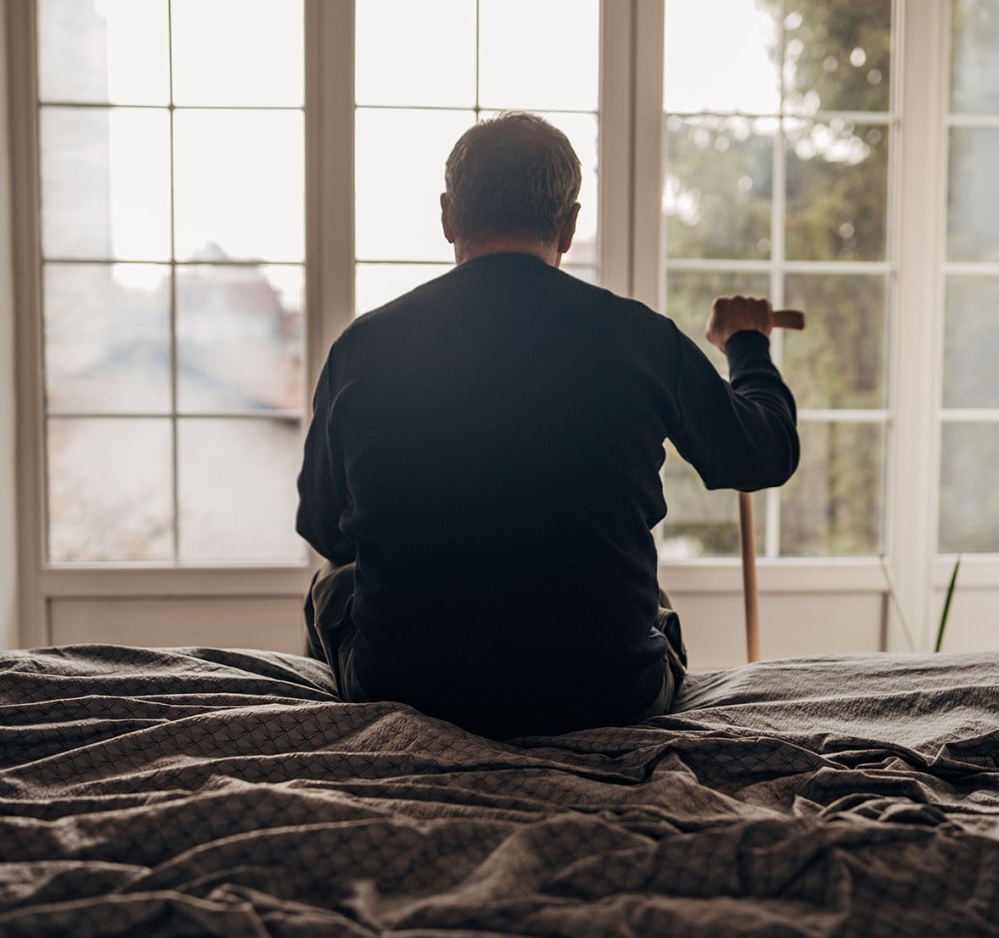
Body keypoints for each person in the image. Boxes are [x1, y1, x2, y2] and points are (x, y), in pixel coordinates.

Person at [297, 112, 798, 739]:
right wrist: (747, 344)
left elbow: (324, 527)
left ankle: (354, 746)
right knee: (652, 606)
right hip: (609, 693)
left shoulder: (364, 347)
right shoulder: (641, 338)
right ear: (569, 224)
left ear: (449, 215)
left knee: (332, 584)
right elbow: (763, 454)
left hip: (411, 689)